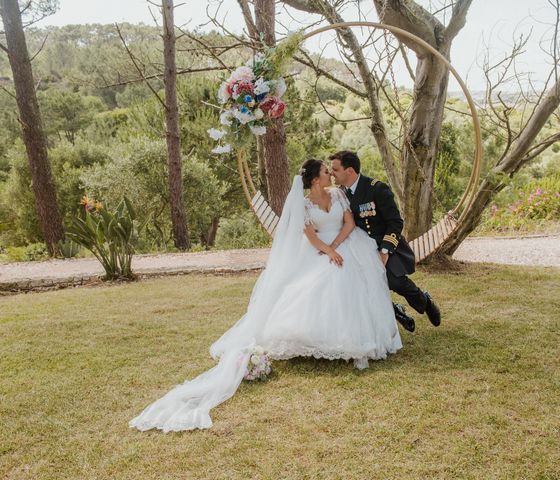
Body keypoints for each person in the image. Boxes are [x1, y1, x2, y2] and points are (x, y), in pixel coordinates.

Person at [129, 159, 402, 432]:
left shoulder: (338, 194)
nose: (330, 174)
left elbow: (349, 223)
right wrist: (328, 251)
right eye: (325, 171)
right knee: (317, 284)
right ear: (315, 179)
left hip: (346, 243)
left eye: (331, 170)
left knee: (353, 280)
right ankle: (320, 338)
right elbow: (309, 236)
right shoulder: (305, 204)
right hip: (321, 250)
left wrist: (336, 246)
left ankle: (360, 337)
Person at [329, 150, 441, 333]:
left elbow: (395, 222)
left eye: (335, 169)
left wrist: (385, 250)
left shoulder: (376, 188)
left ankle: (425, 301)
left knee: (395, 282)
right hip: (357, 248)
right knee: (357, 284)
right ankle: (394, 311)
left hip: (384, 244)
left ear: (349, 171)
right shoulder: (340, 194)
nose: (332, 173)